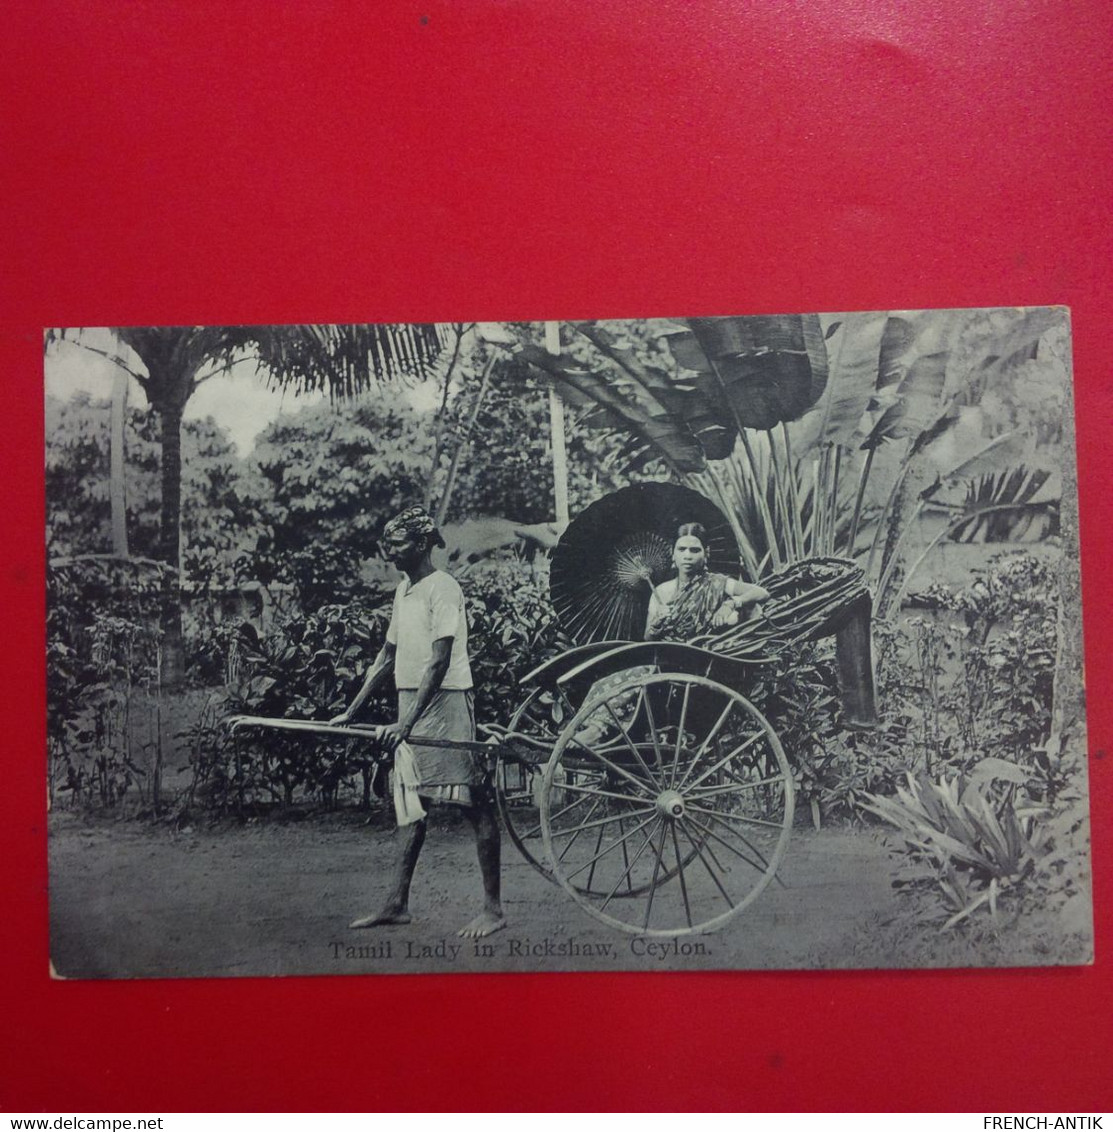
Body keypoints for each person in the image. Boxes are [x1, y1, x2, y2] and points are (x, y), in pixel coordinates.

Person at [331, 505, 505, 939]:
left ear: (424, 544)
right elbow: (386, 657)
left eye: (399, 543)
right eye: (388, 543)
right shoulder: (404, 590)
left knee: (473, 800)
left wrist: (405, 725)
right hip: (411, 699)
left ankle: (493, 908)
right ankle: (396, 903)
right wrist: (350, 711)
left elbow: (440, 661)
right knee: (412, 801)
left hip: (444, 701)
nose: (390, 551)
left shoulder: (442, 587)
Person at [645, 522, 769, 641]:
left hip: (707, 657)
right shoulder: (661, 591)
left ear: (706, 553)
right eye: (681, 549)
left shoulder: (716, 583)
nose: (687, 556)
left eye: (695, 550)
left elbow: (761, 593)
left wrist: (730, 604)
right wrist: (656, 624)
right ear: (673, 554)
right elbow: (647, 638)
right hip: (667, 657)